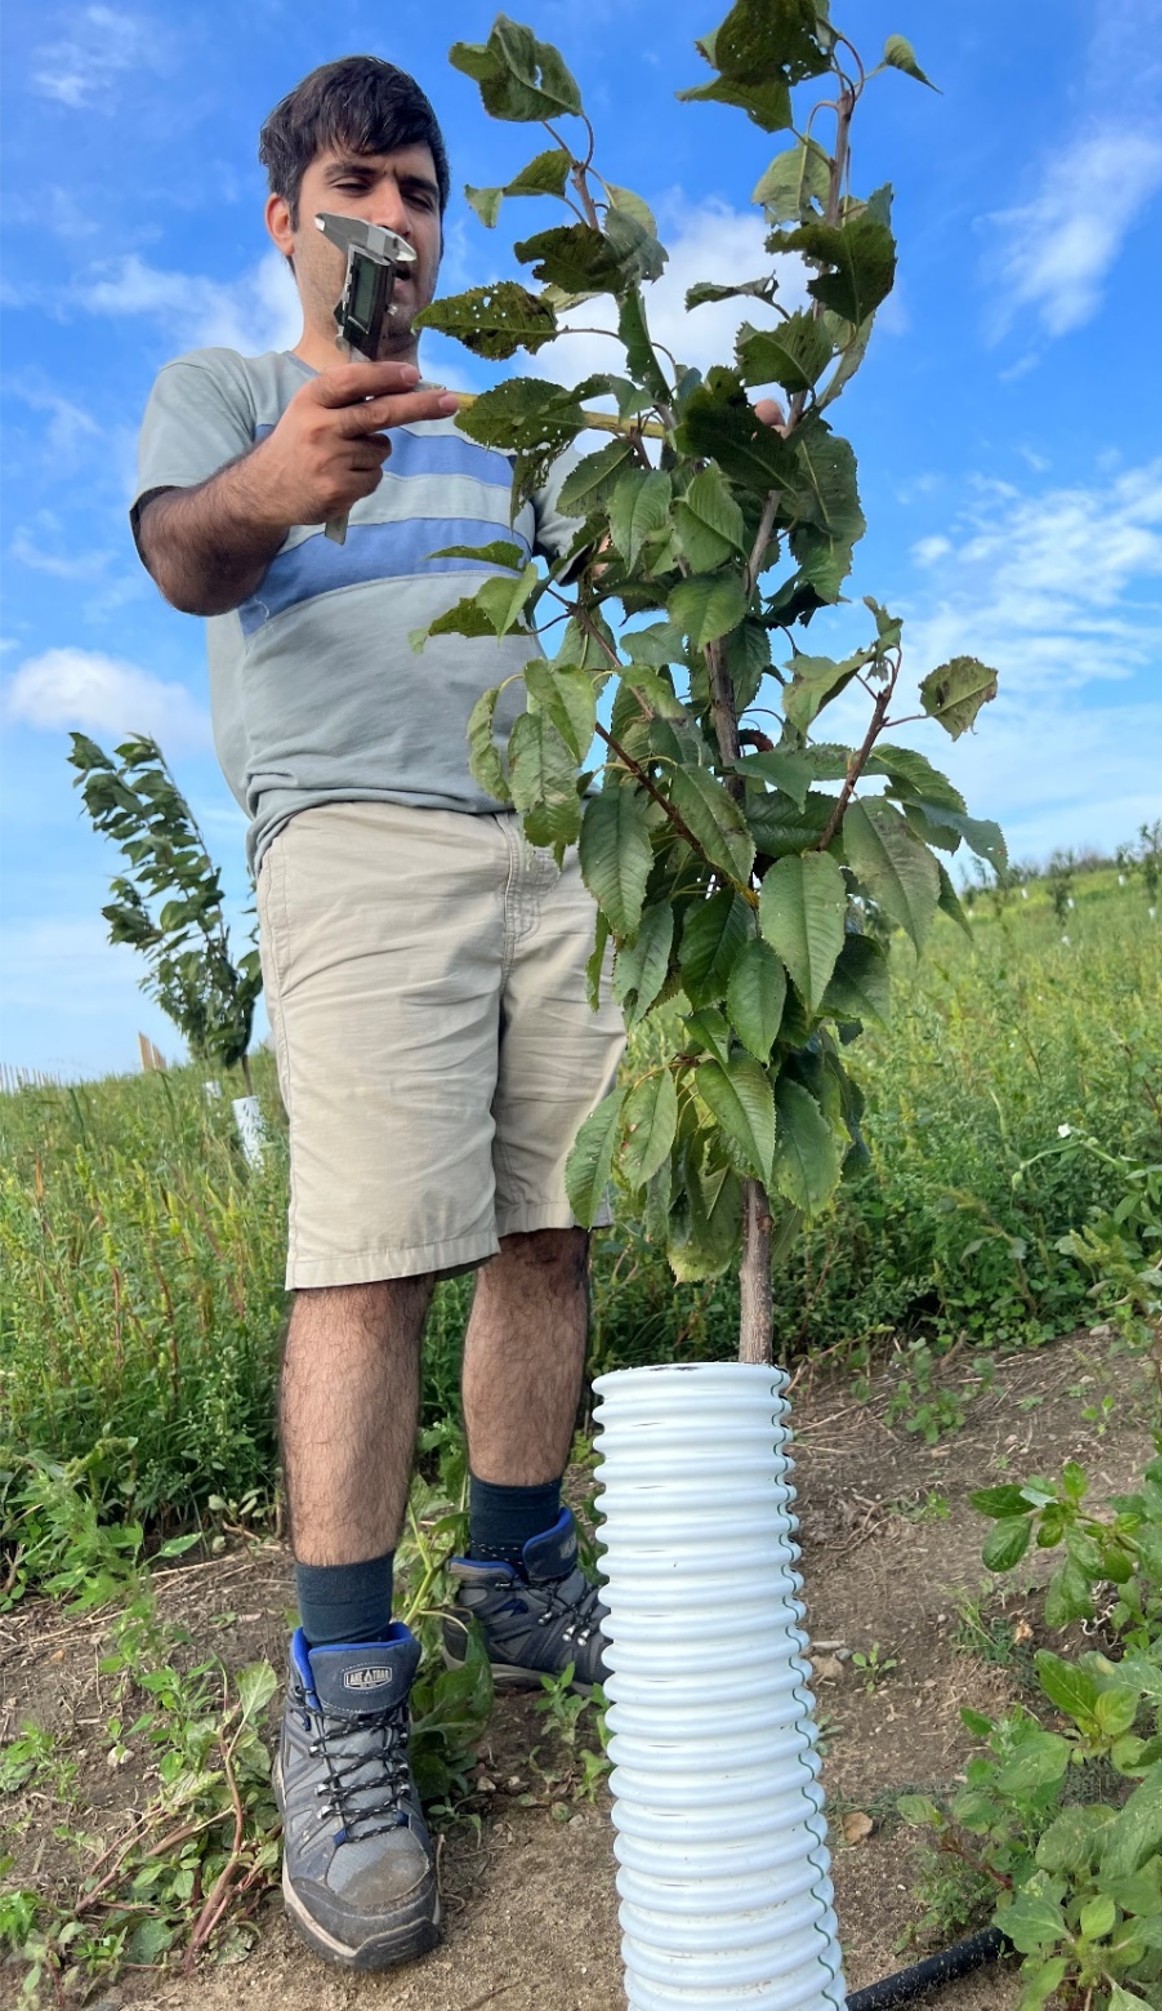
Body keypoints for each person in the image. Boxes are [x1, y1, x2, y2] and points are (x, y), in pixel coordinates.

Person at [129, 57, 625, 1971]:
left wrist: (711, 451)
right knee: (364, 1259)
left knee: (546, 1221)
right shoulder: (234, 396)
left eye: (420, 188)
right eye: (358, 184)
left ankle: (513, 1572)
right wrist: (287, 474)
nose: (396, 218)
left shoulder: (504, 417)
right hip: (351, 842)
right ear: (288, 215)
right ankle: (340, 1695)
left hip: (551, 837)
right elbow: (186, 553)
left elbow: (618, 556)